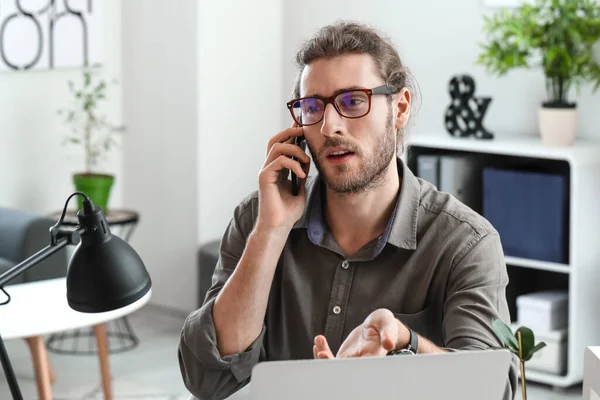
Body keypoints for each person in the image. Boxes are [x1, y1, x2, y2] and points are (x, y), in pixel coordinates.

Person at [178, 21, 517, 400]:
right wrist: (270, 233)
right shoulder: (260, 218)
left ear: (400, 107)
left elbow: (491, 389)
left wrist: (407, 345)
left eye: (353, 101)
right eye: (312, 107)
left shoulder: (466, 243)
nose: (330, 126)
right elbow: (205, 378)